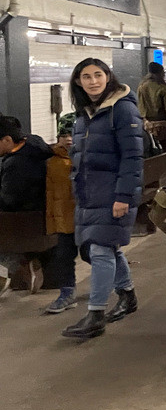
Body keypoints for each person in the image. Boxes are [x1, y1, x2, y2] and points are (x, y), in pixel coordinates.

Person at [61, 58, 143, 339]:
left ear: (109, 77)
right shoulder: (86, 113)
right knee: (107, 247)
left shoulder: (122, 109)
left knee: (99, 250)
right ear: (78, 81)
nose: (93, 81)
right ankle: (127, 295)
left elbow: (133, 157)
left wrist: (123, 196)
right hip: (89, 193)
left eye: (98, 75)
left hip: (113, 193)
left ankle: (95, 314)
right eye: (86, 76)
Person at [0, 115, 54, 294]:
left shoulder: (17, 163)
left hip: (26, 219)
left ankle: (8, 272)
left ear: (7, 139)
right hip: (40, 213)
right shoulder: (34, 143)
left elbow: (9, 201)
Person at [45, 113, 78, 313]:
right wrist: (51, 222)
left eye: (72, 133)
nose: (67, 138)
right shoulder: (52, 161)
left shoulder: (87, 157)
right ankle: (67, 293)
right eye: (63, 134)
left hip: (86, 218)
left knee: (93, 254)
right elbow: (50, 194)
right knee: (64, 257)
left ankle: (119, 286)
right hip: (64, 220)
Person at [137, 62, 166, 154]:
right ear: (160, 72)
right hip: (163, 125)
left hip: (147, 125)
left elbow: (140, 106)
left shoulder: (142, 86)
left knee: (151, 151)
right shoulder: (162, 87)